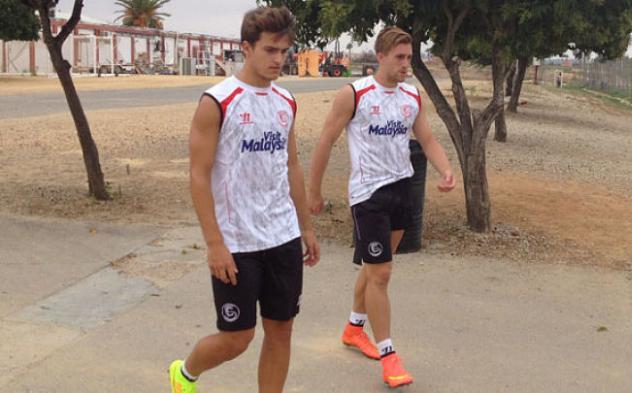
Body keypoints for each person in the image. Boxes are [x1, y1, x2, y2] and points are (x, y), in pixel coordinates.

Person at [169, 6, 320, 393]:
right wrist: (214, 243)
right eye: (270, 50)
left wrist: (306, 227)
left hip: (282, 235)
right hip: (236, 242)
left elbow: (292, 167)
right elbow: (198, 175)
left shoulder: (286, 101)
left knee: (281, 329)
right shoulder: (217, 101)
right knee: (238, 338)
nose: (278, 59)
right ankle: (184, 374)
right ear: (246, 48)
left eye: (284, 50)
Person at [307, 26, 456, 388]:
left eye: (410, 57)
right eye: (401, 57)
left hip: (402, 190)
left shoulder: (411, 95)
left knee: (377, 269)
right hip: (368, 195)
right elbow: (325, 140)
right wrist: (313, 192)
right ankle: (390, 355)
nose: (408, 64)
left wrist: (447, 169)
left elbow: (427, 137)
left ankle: (354, 327)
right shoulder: (354, 95)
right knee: (382, 273)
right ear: (383, 56)